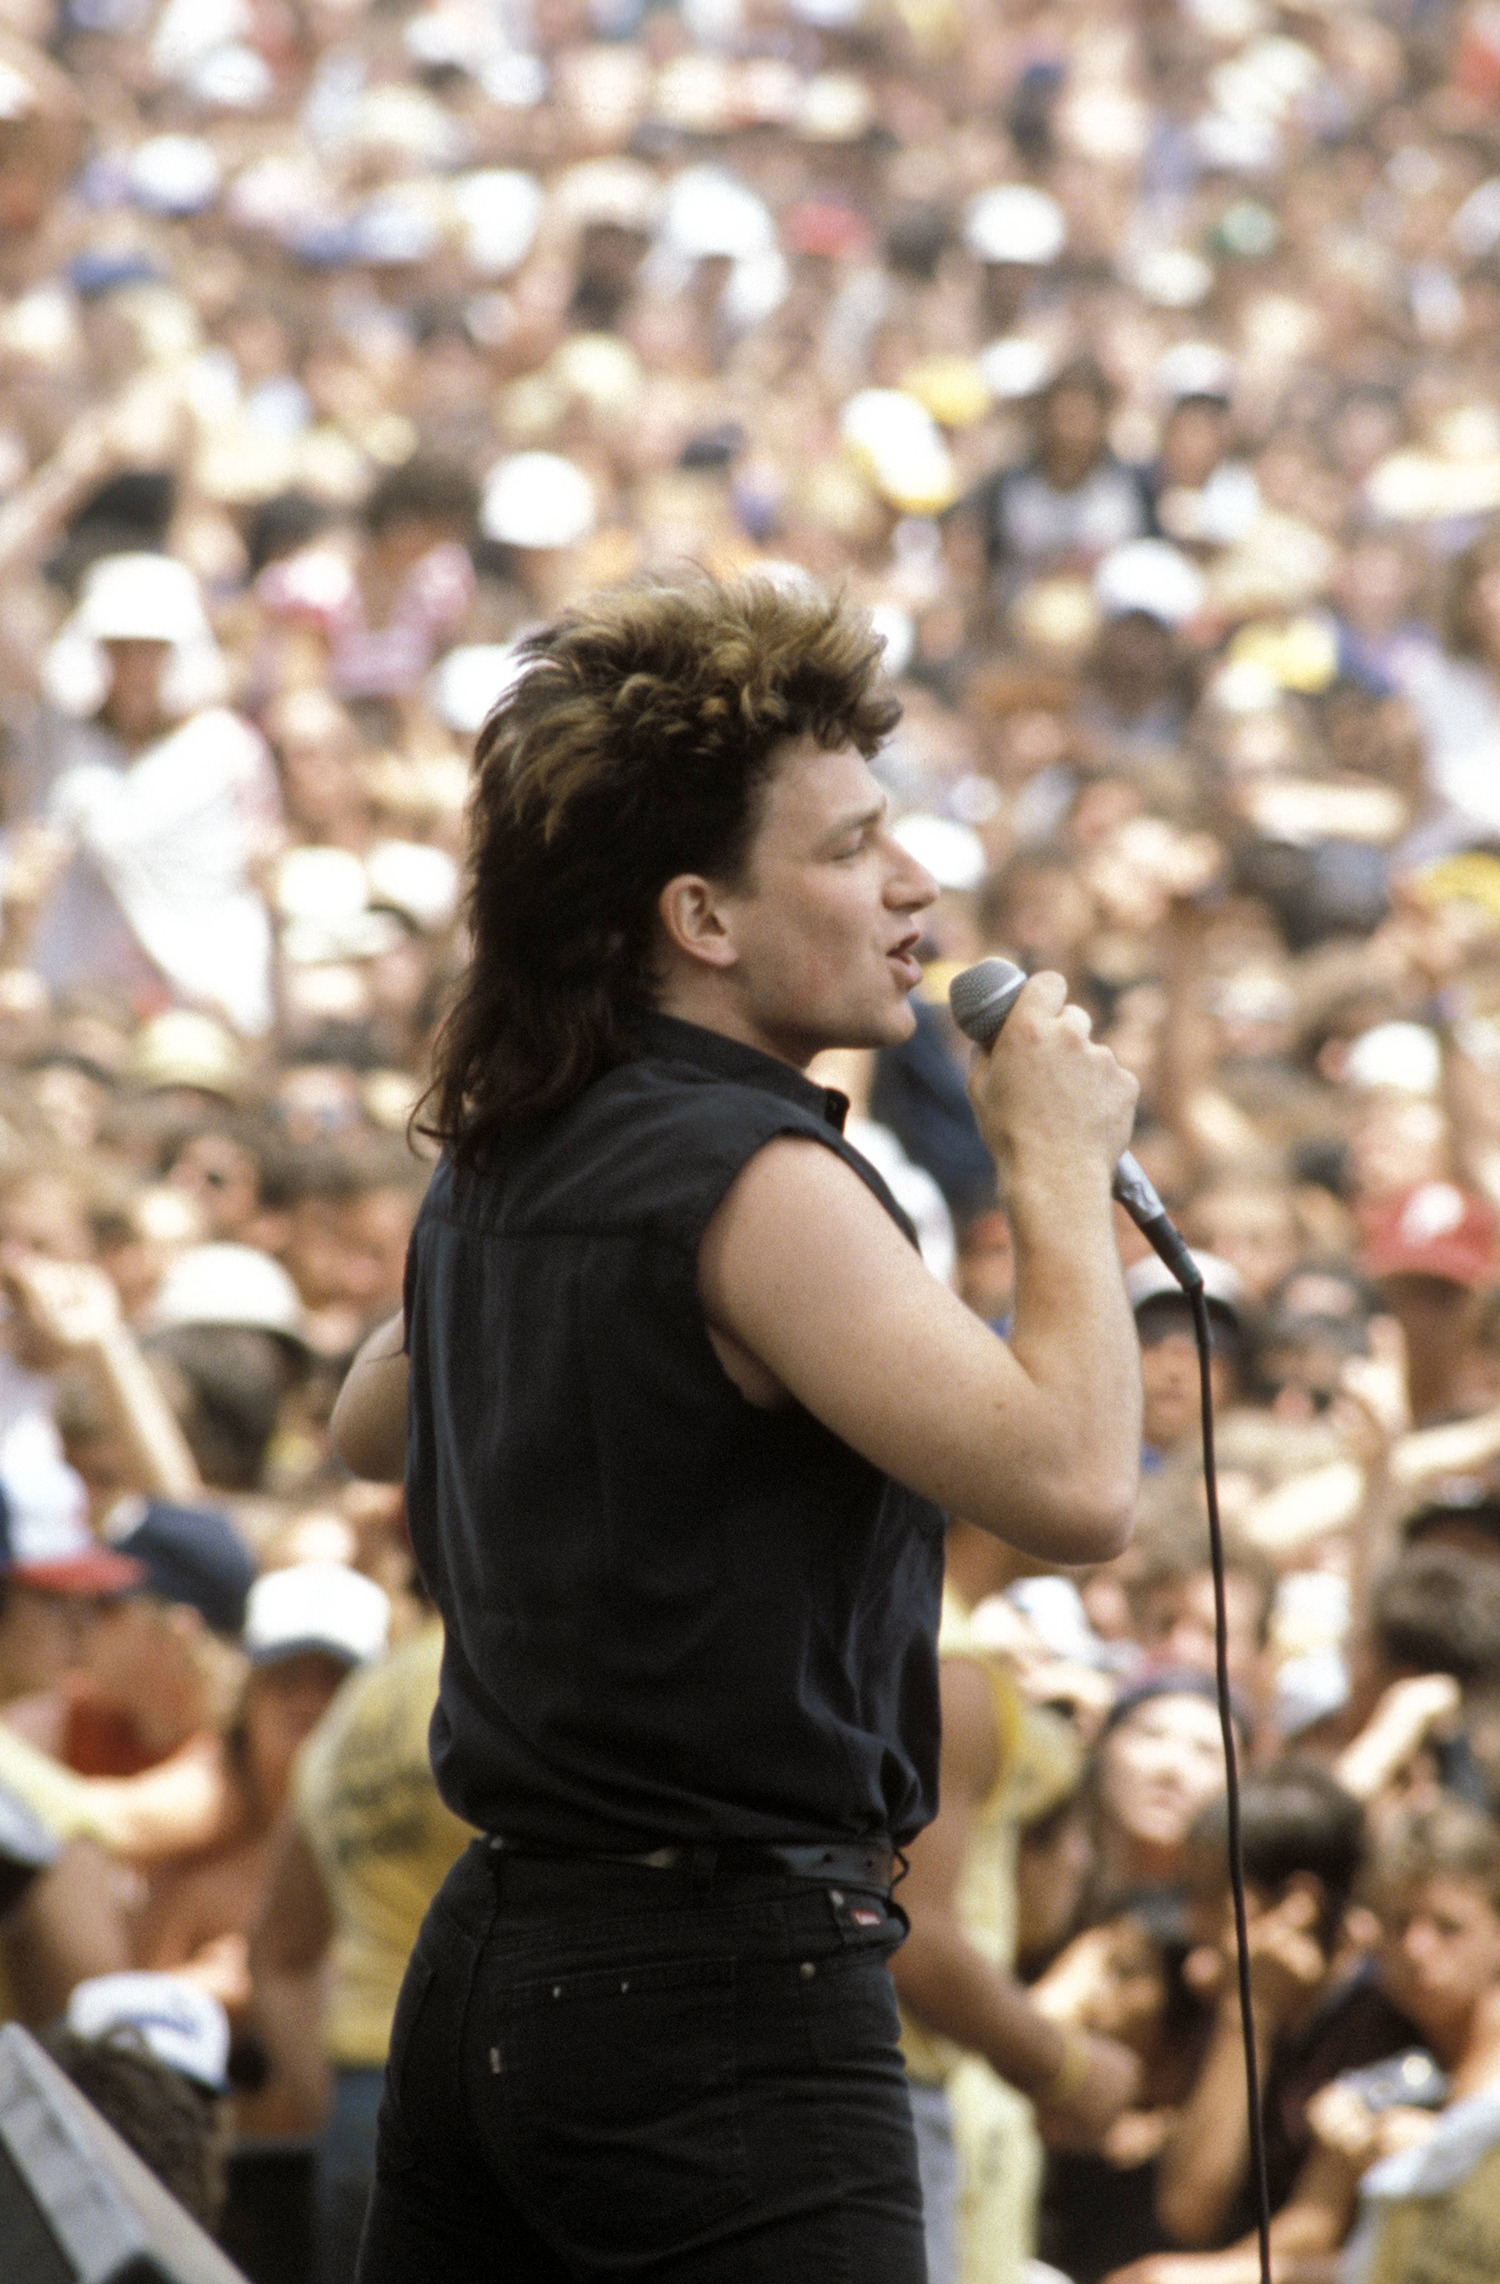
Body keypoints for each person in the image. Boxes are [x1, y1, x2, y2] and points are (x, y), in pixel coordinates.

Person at [333, 573, 1143, 2281]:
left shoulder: (517, 1147)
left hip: (500, 1960)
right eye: (851, 850)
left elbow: (360, 1421)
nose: (916, 885)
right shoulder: (760, 1183)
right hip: (718, 1996)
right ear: (701, 917)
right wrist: (1060, 1172)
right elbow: (1074, 1484)